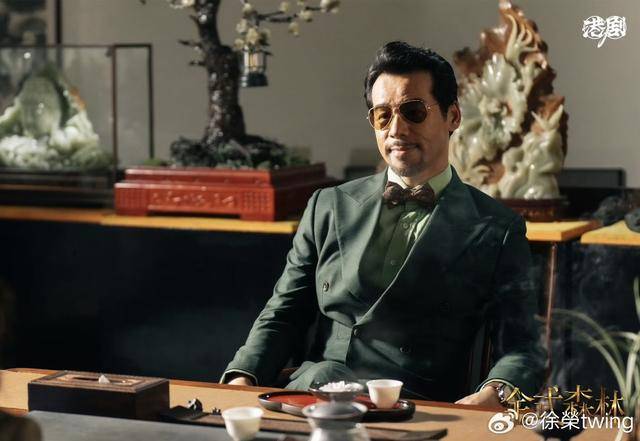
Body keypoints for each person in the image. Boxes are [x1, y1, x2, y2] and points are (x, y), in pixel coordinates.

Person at [221, 41, 544, 406]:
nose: (396, 129)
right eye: (383, 116)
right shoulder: (329, 206)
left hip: (413, 411)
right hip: (313, 398)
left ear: (453, 116)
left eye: (413, 111)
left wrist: (494, 395)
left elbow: (523, 346)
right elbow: (284, 312)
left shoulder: (497, 228)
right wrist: (242, 376)